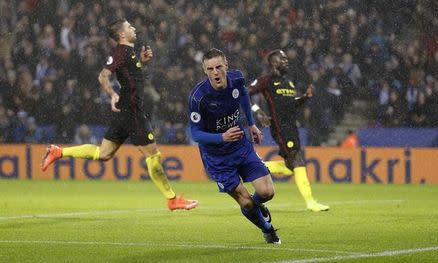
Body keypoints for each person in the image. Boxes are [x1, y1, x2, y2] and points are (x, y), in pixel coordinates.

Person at [41, 18, 198, 211]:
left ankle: (59, 152)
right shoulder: (121, 52)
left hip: (126, 111)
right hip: (132, 112)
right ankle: (172, 199)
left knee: (103, 153)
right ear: (122, 34)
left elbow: (129, 77)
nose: (133, 28)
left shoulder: (129, 54)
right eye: (129, 26)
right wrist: (112, 94)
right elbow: (103, 75)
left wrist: (141, 62)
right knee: (153, 155)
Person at [188, 48, 280, 244]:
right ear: (205, 70)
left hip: (240, 147)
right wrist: (222, 136)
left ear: (226, 65)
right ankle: (269, 231)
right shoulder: (198, 97)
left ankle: (257, 207)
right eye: (210, 68)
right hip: (217, 158)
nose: (215, 72)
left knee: (267, 192)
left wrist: (251, 123)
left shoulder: (237, 78)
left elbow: (244, 95)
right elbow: (195, 134)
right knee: (245, 201)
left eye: (219, 67)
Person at [249, 49, 329, 212]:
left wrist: (305, 97)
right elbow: (245, 93)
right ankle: (311, 202)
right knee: (298, 160)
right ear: (273, 62)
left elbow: (291, 104)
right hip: (280, 128)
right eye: (282, 59)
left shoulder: (288, 82)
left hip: (292, 127)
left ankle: (255, 167)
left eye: (286, 59)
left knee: (291, 166)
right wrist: (258, 111)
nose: (286, 61)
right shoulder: (267, 80)